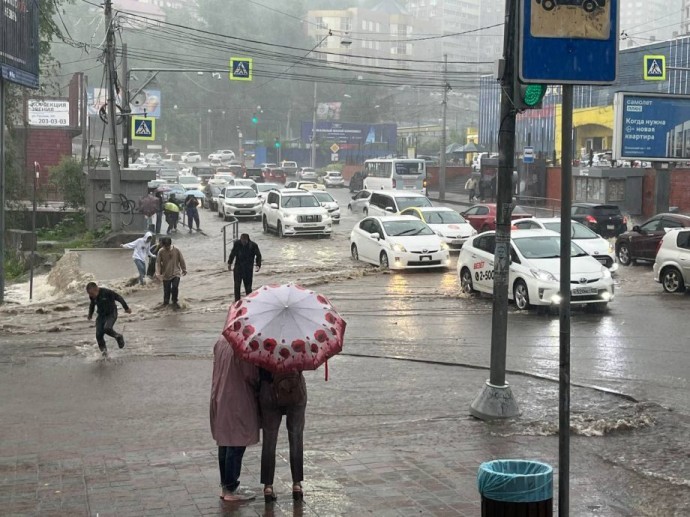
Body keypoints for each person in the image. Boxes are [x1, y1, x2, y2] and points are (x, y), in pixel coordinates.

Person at [210, 334, 260, 502]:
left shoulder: (221, 340)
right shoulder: (244, 345)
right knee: (236, 443)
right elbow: (251, 375)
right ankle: (231, 487)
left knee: (224, 441)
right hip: (238, 397)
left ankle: (226, 486)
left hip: (220, 394)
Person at [259, 368, 307, 502]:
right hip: (295, 387)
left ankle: (268, 486)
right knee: (296, 436)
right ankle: (296, 484)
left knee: (269, 439)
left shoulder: (262, 346)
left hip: (269, 389)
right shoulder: (298, 346)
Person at [86, 282, 131, 357]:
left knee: (107, 328)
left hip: (111, 313)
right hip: (101, 315)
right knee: (98, 335)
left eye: (92, 294)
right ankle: (104, 354)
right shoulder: (92, 296)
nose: (91, 296)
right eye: (89, 294)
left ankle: (118, 336)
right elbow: (92, 305)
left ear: (96, 289)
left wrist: (126, 308)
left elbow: (119, 298)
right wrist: (90, 314)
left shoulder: (107, 292)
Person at [228, 233, 262, 302]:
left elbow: (258, 255)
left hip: (248, 269)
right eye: (242, 241)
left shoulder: (253, 245)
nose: (243, 243)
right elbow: (232, 253)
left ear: (247, 240)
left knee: (248, 288)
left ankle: (249, 301)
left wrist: (258, 265)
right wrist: (229, 263)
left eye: (244, 241)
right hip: (238, 268)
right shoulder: (237, 244)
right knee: (237, 287)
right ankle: (237, 302)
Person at [155, 236, 187, 308]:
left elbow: (181, 259)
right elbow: (158, 263)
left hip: (176, 272)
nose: (166, 248)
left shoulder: (176, 250)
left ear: (170, 244)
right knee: (167, 291)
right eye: (165, 246)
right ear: (163, 245)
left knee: (175, 287)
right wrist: (158, 273)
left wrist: (184, 269)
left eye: (168, 246)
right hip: (166, 274)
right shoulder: (161, 251)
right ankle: (166, 304)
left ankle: (175, 301)